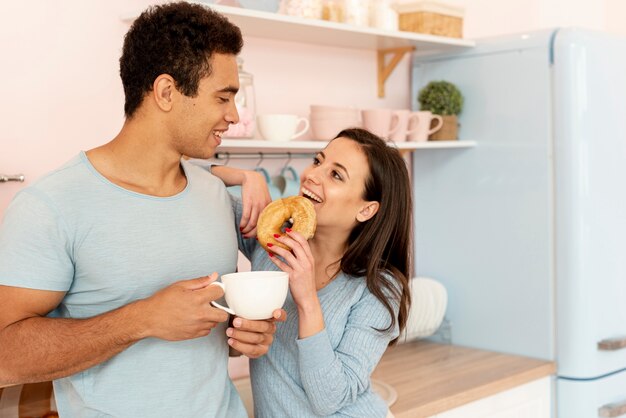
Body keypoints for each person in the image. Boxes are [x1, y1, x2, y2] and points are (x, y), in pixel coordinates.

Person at [0, 3, 281, 417]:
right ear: (166, 92)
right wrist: (141, 319)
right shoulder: (51, 206)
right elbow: (5, 357)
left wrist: (244, 334)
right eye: (223, 98)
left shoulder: (216, 196)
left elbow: (207, 334)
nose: (234, 116)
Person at [217, 128, 413, 417]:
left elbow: (330, 399)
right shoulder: (274, 241)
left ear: (367, 209)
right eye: (318, 161)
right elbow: (179, 172)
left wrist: (307, 299)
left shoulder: (379, 288)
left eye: (336, 175)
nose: (312, 175)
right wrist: (246, 177)